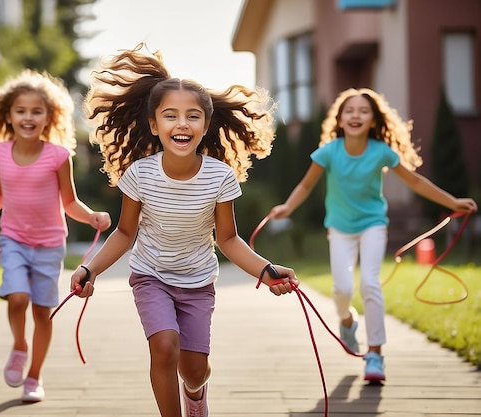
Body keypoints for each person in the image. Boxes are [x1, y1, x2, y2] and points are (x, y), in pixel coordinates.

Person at [71, 44, 299, 417]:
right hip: (151, 276)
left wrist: (266, 270)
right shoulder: (140, 174)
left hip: (197, 281)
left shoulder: (219, 177)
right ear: (154, 124)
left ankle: (196, 394)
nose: (182, 124)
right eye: (171, 116)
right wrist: (88, 269)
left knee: (193, 370)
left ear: (205, 126)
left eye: (193, 116)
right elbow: (125, 234)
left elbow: (227, 239)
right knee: (163, 346)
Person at [268, 88, 478, 382]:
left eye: (363, 111)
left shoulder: (381, 152)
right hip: (339, 227)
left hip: (372, 225)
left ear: (373, 120)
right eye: (349, 110)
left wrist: (452, 202)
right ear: (340, 119)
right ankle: (347, 321)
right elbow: (305, 186)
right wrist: (288, 206)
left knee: (369, 283)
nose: (356, 115)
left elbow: (416, 182)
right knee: (341, 289)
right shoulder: (329, 151)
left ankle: (375, 354)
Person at [0, 69, 111, 403]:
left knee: (42, 312)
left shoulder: (58, 157)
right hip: (13, 240)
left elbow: (69, 202)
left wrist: (91, 217)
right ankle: (19, 345)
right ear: (8, 116)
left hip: (48, 246)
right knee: (16, 298)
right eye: (21, 111)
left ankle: (34, 376)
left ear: (49, 117)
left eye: (36, 111)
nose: (28, 117)